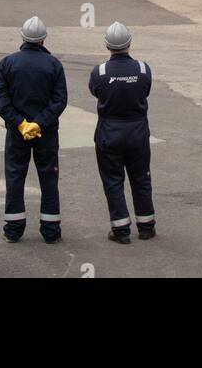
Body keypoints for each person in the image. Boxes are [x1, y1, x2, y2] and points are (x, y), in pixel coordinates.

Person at [0, 16, 67, 244]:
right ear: (43, 39)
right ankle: (50, 230)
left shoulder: (8, 63)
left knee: (15, 176)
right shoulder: (54, 65)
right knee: (48, 177)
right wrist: (39, 123)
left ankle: (13, 229)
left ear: (22, 37)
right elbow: (60, 100)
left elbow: (0, 98)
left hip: (17, 133)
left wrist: (21, 123)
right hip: (46, 133)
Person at [88, 22, 155, 244]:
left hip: (110, 131)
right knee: (141, 178)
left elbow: (95, 92)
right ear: (129, 43)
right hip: (137, 131)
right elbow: (145, 90)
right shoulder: (143, 69)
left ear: (107, 45)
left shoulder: (100, 72)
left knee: (113, 180)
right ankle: (146, 227)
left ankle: (121, 230)